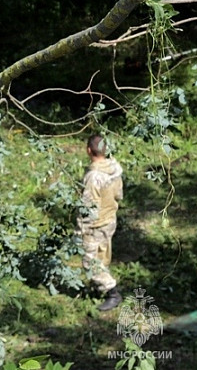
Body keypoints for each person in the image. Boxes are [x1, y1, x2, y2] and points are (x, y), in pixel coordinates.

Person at [78, 134, 124, 312]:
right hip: (110, 218)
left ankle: (112, 292)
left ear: (88, 150)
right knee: (103, 254)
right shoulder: (115, 168)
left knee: (90, 261)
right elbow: (119, 194)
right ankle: (99, 287)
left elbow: (87, 207)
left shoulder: (93, 176)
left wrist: (80, 229)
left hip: (96, 224)